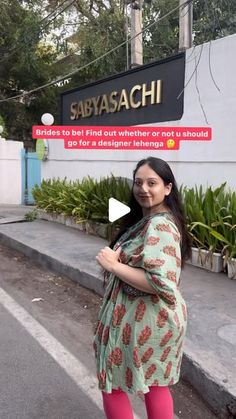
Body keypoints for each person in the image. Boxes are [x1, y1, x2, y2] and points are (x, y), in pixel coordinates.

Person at [94, 157, 192, 419]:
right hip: (151, 321)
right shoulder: (151, 220)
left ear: (167, 188)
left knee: (112, 382)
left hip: (148, 321)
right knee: (155, 383)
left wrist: (113, 266)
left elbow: (160, 283)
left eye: (152, 183)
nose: (143, 189)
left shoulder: (160, 224)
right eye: (138, 183)